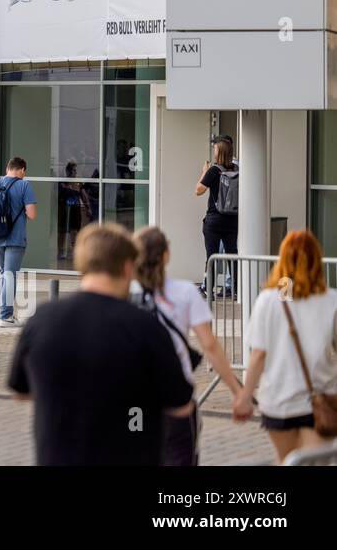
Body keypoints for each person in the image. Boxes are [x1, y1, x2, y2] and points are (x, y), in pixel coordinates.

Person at [8, 223, 194, 465]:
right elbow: (181, 406)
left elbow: (20, 391)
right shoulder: (145, 327)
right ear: (128, 267)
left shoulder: (41, 320)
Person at [132, 226, 240, 465]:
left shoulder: (123, 292)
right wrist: (237, 392)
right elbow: (209, 345)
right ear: (166, 255)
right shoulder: (184, 292)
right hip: (176, 399)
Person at [233, 230, 337, 463]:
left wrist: (245, 396)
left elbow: (258, 354)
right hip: (320, 400)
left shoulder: (270, 300)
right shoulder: (332, 300)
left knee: (286, 460)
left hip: (278, 404)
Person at [0, 157, 38, 327]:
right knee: (10, 276)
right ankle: (6, 316)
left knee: (3, 275)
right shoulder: (24, 185)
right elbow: (32, 214)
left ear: (8, 168)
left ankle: (6, 313)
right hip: (15, 238)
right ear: (22, 170)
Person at [194, 137, 239, 298]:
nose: (213, 152)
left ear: (219, 152)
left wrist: (204, 171)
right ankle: (235, 289)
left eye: (215, 149)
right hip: (233, 219)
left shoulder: (214, 170)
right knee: (232, 254)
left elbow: (198, 190)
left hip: (214, 219)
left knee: (211, 255)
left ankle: (208, 290)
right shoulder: (237, 169)